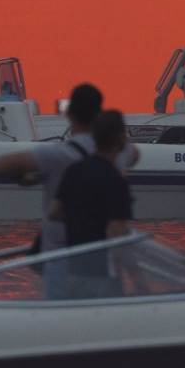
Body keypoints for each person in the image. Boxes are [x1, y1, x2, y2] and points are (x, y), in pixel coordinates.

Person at [0, 82, 132, 260]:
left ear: (70, 114)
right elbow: (134, 155)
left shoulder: (57, 155)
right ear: (98, 114)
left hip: (59, 256)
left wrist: (29, 177)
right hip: (100, 255)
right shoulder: (118, 152)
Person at [48, 109, 136, 298]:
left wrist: (83, 217)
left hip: (73, 273)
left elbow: (54, 212)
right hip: (103, 274)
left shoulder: (74, 170)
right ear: (121, 138)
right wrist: (139, 281)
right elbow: (118, 233)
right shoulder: (115, 181)